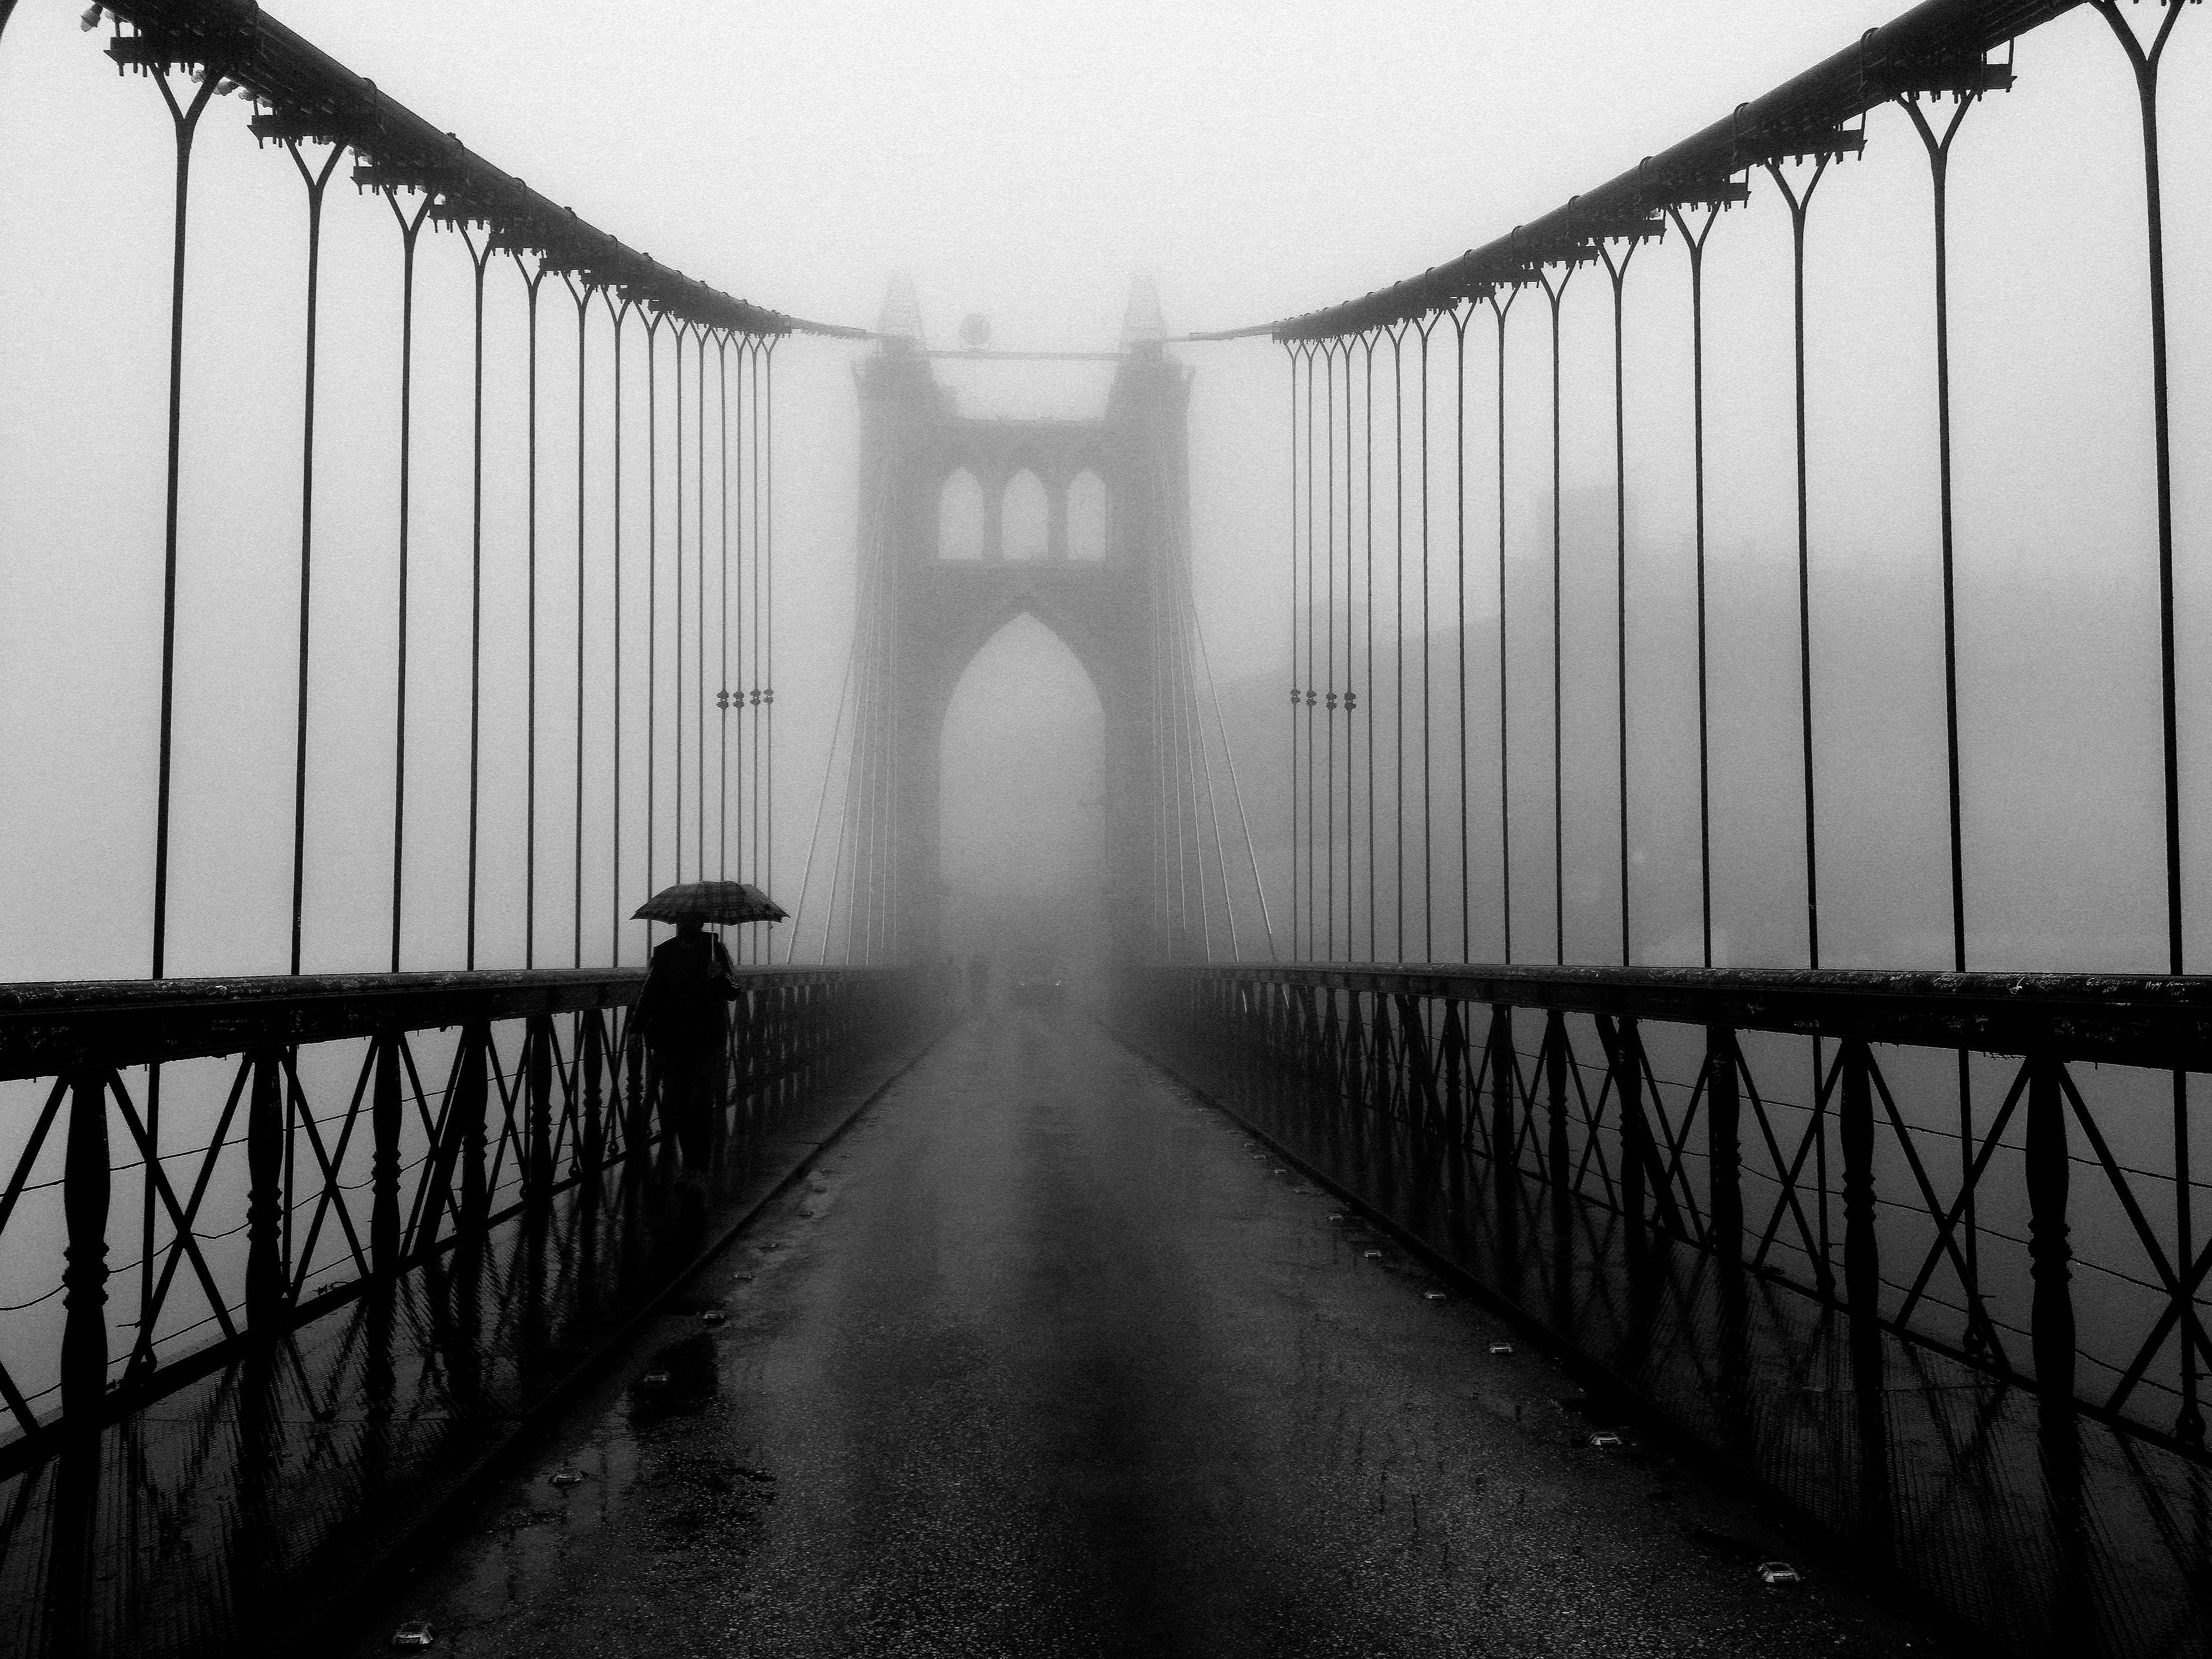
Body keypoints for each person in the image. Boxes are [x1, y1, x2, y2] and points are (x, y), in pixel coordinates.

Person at [630, 914, 740, 1167]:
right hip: (673, 1038)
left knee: (701, 1101)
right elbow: (651, 992)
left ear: (699, 924)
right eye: (682, 922)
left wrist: (719, 976)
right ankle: (692, 1161)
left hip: (704, 1038)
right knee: (678, 1101)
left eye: (688, 922)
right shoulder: (665, 952)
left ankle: (697, 1163)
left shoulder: (715, 950)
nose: (684, 926)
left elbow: (734, 991)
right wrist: (636, 1028)